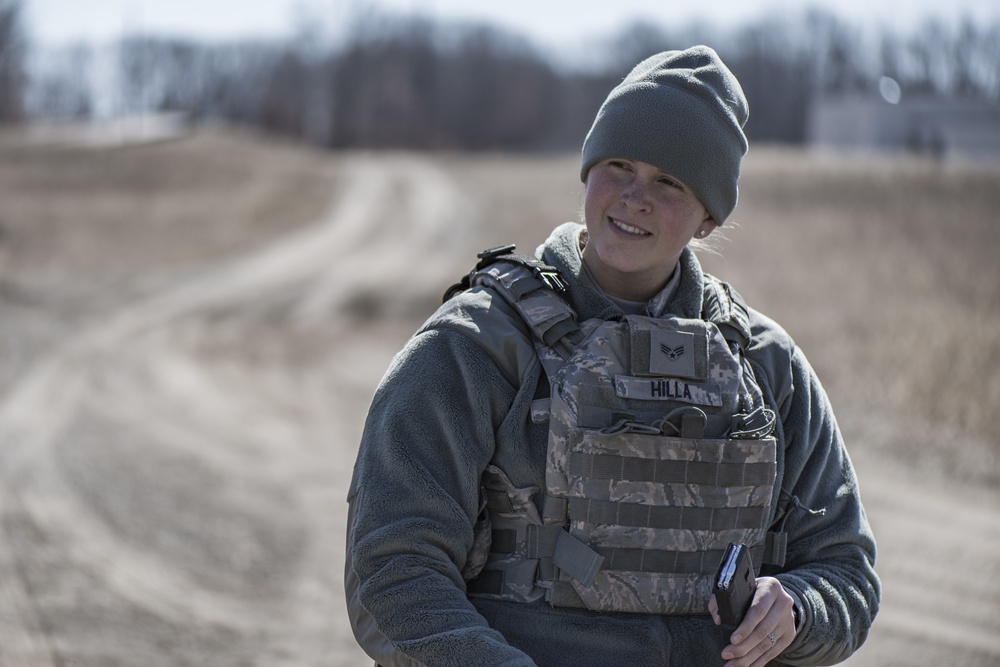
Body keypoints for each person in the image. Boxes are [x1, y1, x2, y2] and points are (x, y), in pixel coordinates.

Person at [345, 45, 880, 667]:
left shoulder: (767, 366)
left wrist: (798, 608)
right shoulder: (476, 347)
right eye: (619, 165)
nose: (634, 197)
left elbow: (847, 571)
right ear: (587, 171)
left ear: (709, 217)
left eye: (670, 182)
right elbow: (392, 570)